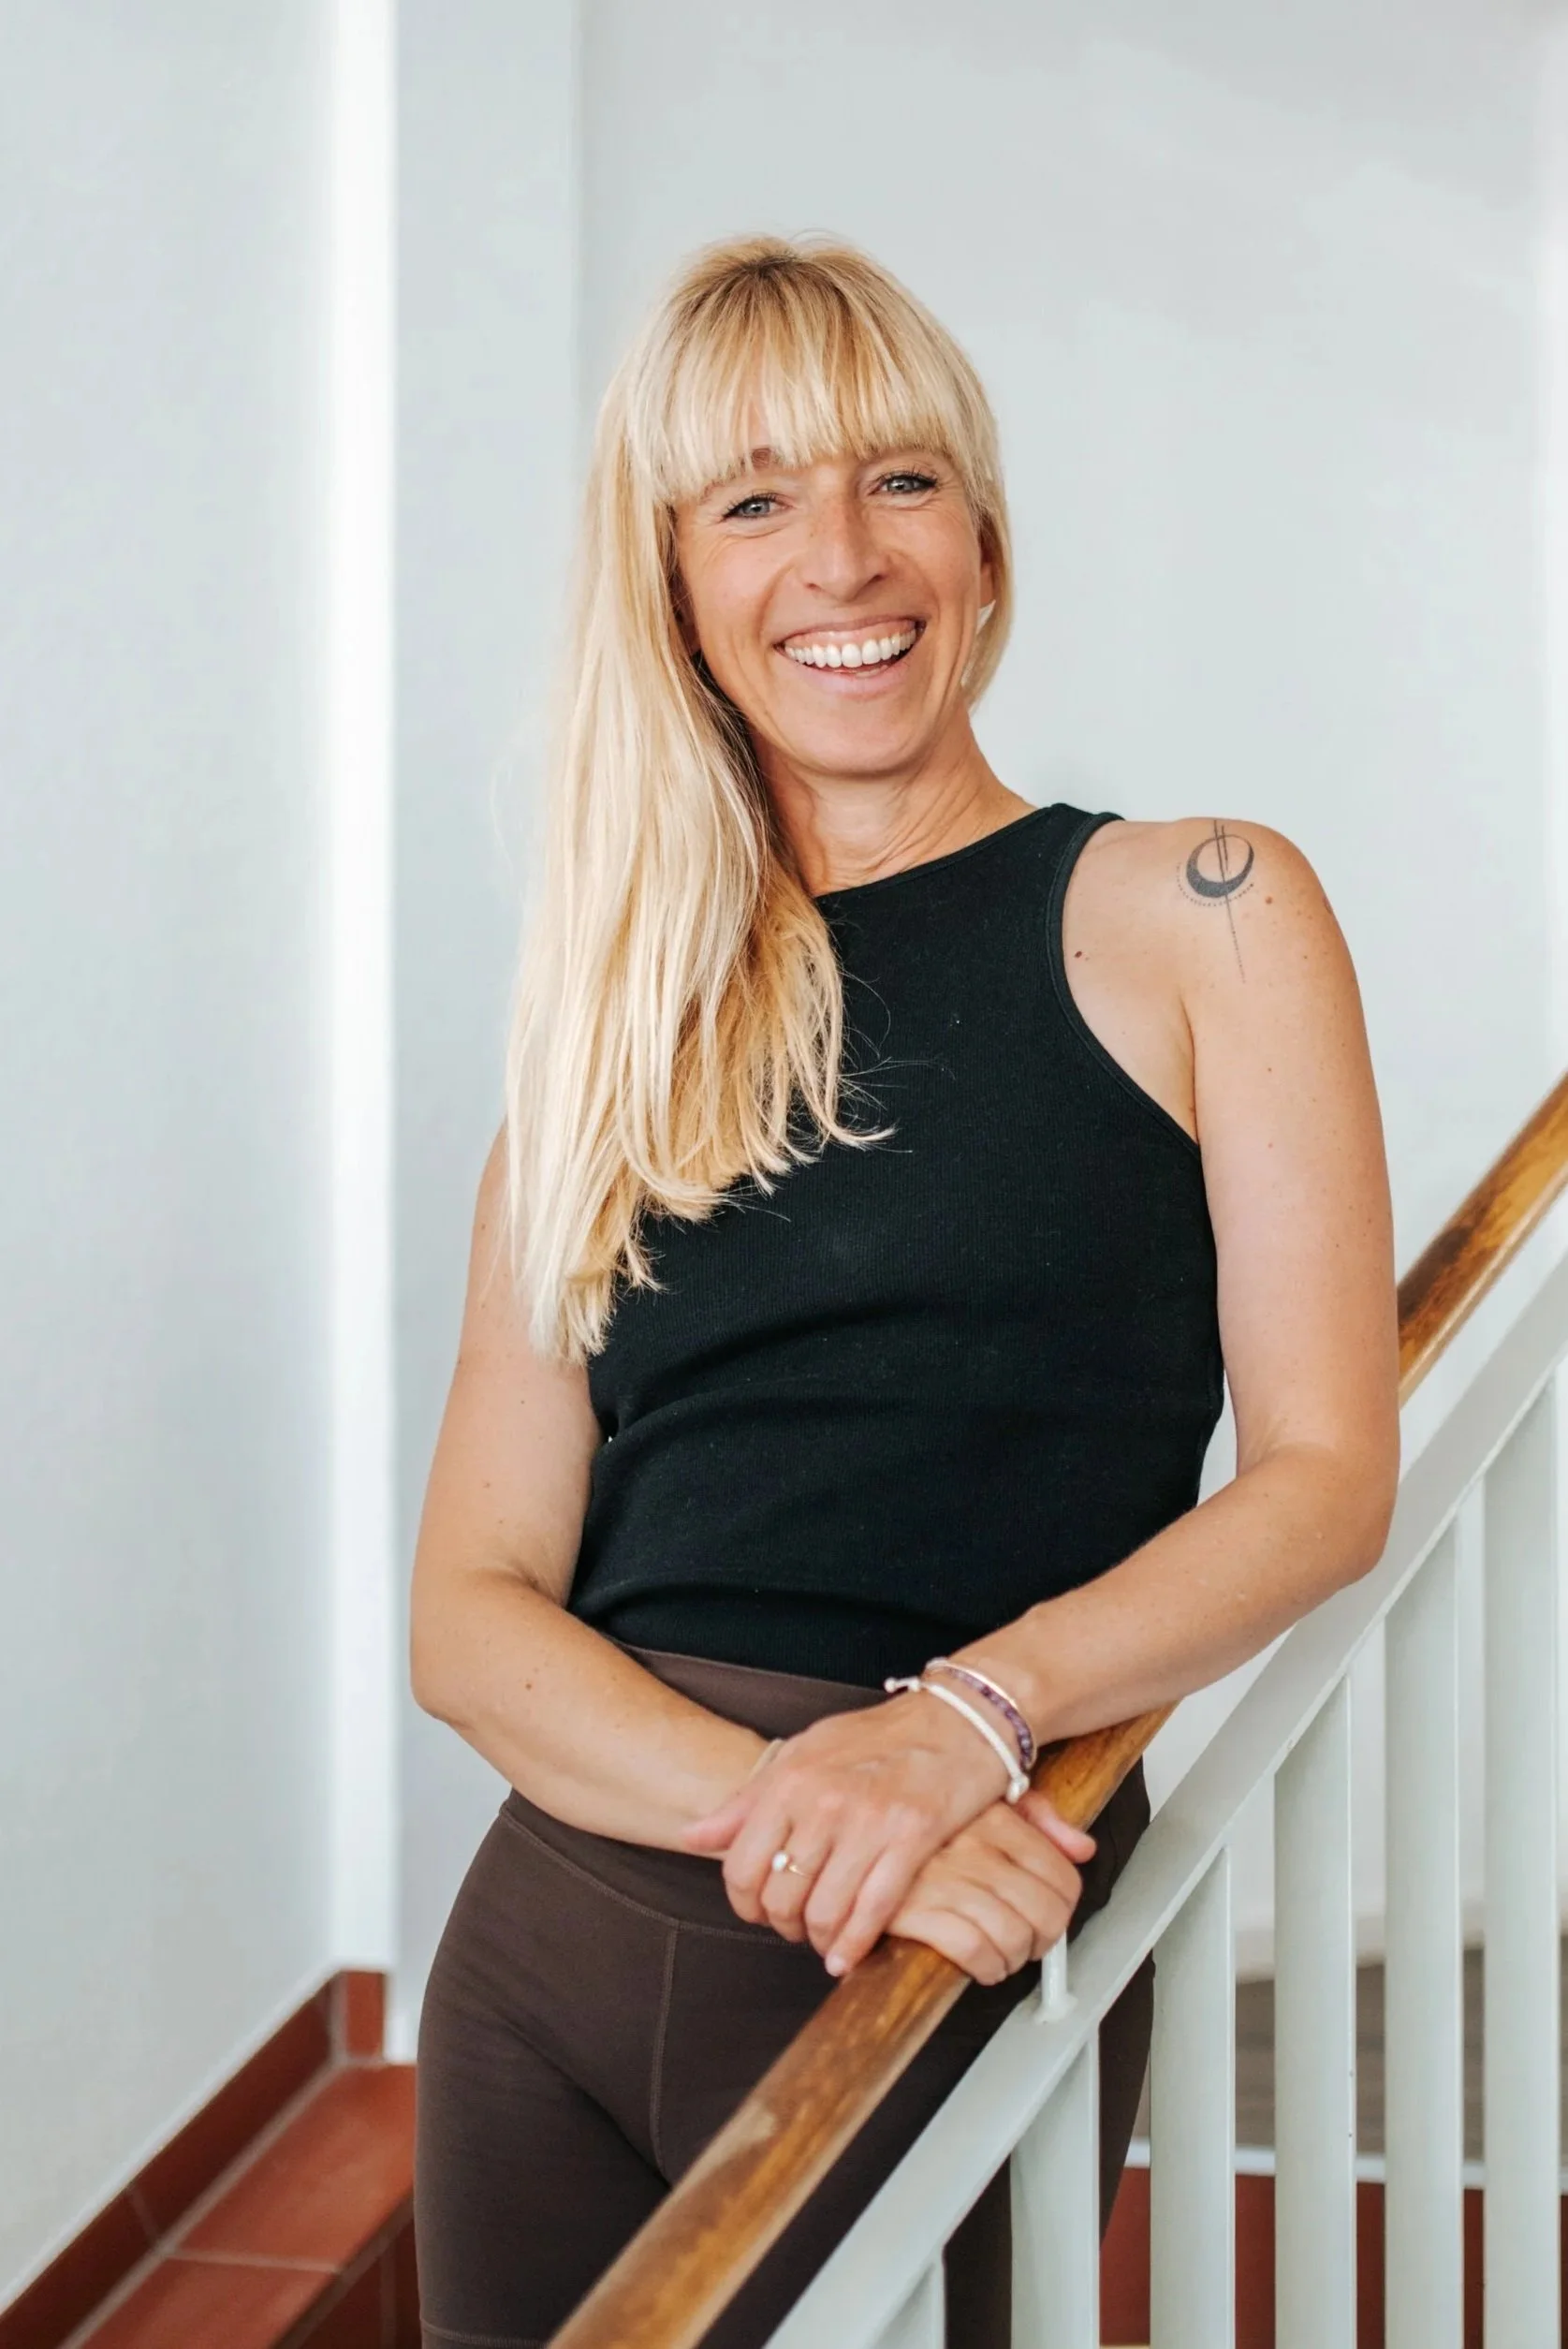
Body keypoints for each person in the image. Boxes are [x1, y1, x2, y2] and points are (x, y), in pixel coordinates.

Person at [409, 235, 1399, 2349]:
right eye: (753, 500)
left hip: (933, 1931)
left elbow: (1325, 1481)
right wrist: (811, 1816)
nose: (842, 560)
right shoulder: (608, 1040)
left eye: (900, 481)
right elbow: (470, 1616)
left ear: (984, 532)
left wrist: (966, 1725)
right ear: (673, 581)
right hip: (565, 1941)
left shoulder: (1202, 907)